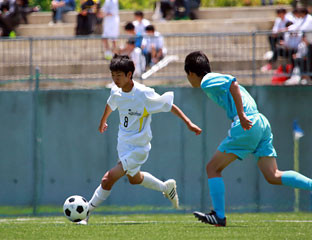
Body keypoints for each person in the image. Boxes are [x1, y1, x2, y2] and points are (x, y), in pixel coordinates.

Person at [184, 51, 312, 227]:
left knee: (212, 168)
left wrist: (242, 115)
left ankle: (219, 216)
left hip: (246, 122)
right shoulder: (212, 80)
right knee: (273, 175)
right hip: (260, 122)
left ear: (191, 72)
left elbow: (232, 83)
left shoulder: (206, 80)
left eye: (187, 75)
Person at [78, 55, 202, 225]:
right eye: (113, 75)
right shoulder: (116, 91)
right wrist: (103, 121)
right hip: (122, 144)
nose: (115, 79)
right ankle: (166, 188)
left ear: (130, 75)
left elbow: (168, 105)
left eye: (119, 75)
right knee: (134, 179)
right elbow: (110, 104)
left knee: (108, 178)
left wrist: (188, 123)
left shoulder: (144, 94)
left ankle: (86, 212)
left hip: (139, 147)